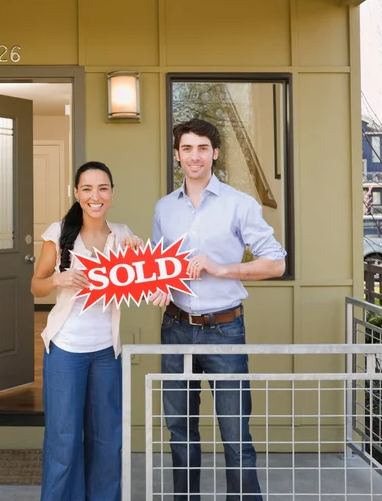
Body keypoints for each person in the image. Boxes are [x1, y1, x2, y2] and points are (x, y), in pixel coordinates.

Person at [149, 118, 286, 501]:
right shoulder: (164, 209)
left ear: (215, 153)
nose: (195, 157)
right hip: (174, 328)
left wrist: (223, 268)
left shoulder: (240, 205)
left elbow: (275, 263)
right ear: (177, 155)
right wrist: (159, 286)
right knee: (179, 429)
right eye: (187, 149)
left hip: (224, 329)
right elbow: (160, 266)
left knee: (235, 431)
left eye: (203, 148)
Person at [31, 161, 141, 501]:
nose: (96, 196)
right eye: (88, 189)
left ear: (111, 193)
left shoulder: (123, 236)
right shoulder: (58, 233)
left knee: (108, 439)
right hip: (65, 350)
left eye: (103, 188)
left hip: (107, 352)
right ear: (76, 193)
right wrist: (57, 279)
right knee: (63, 440)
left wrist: (140, 260)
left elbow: (143, 284)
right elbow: (36, 286)